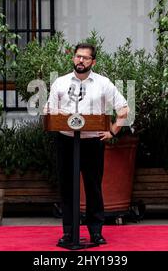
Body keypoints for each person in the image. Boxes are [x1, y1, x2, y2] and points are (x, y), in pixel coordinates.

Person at [45, 43, 129, 246]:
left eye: (85, 57)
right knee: (67, 188)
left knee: (93, 187)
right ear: (73, 58)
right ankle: (69, 233)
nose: (80, 60)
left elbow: (124, 109)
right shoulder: (61, 82)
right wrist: (59, 117)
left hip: (92, 142)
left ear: (93, 61)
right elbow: (49, 111)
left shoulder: (103, 83)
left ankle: (96, 232)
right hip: (66, 141)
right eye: (77, 57)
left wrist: (112, 131)